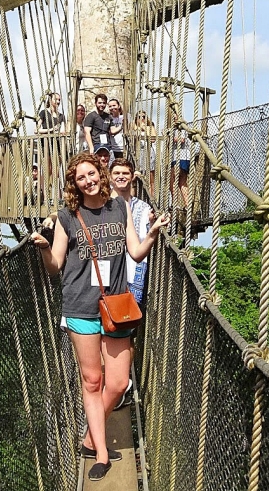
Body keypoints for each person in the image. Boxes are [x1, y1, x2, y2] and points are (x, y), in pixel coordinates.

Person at [31, 153, 169, 482]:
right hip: (80, 307)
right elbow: (56, 266)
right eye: (81, 177)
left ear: (100, 173)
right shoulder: (67, 216)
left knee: (119, 382)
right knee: (92, 381)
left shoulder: (119, 208)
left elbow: (135, 252)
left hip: (116, 307)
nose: (88, 180)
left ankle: (91, 434)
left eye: (92, 173)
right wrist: (43, 249)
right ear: (74, 184)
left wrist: (152, 233)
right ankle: (101, 452)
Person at [109, 158, 155, 409]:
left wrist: (154, 223)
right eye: (116, 173)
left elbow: (144, 242)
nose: (121, 177)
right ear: (110, 176)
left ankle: (122, 382)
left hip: (134, 277)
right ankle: (114, 381)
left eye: (125, 173)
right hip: (107, 279)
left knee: (127, 334)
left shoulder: (143, 207)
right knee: (106, 330)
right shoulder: (102, 205)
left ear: (132, 177)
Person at [37, 92, 66, 179]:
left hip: (57, 144)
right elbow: (37, 130)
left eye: (59, 100)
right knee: (47, 169)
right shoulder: (44, 113)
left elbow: (63, 130)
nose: (58, 102)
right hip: (46, 144)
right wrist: (51, 130)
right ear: (50, 100)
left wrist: (62, 132)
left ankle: (54, 190)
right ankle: (45, 190)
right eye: (55, 99)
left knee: (56, 170)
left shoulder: (61, 116)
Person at [132, 111, 157, 196]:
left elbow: (153, 139)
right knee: (137, 178)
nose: (142, 119)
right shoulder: (133, 127)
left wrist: (144, 127)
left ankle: (151, 199)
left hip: (148, 152)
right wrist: (139, 127)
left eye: (144, 117)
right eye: (139, 117)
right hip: (139, 153)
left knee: (150, 179)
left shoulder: (150, 127)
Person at [170, 116, 190, 208]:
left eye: (176, 118)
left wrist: (170, 136)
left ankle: (175, 204)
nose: (174, 120)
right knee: (182, 182)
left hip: (181, 157)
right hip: (179, 157)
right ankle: (187, 204)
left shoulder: (182, 129)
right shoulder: (176, 129)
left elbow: (181, 140)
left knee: (173, 179)